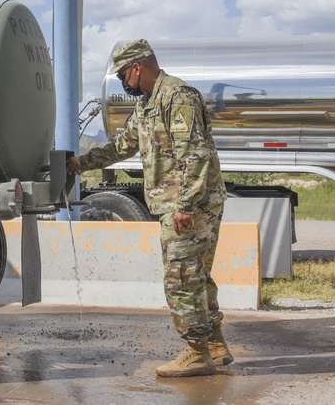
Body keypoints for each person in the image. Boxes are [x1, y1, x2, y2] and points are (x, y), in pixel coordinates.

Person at [66, 39, 231, 378]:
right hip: (180, 203)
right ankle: (214, 343)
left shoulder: (177, 96)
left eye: (124, 75)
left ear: (137, 67)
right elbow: (123, 145)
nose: (124, 82)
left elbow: (194, 155)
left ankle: (196, 352)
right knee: (195, 275)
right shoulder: (147, 105)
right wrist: (82, 163)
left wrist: (185, 206)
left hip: (189, 205)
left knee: (181, 278)